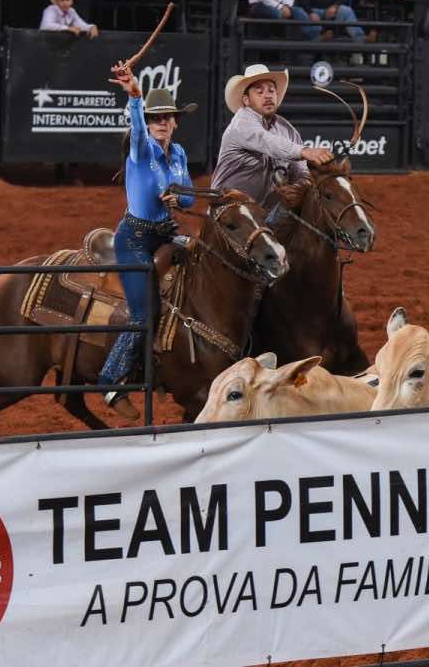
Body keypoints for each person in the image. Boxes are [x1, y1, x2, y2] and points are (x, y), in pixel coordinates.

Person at [96, 60, 198, 420]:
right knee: (145, 311)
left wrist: (178, 199)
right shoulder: (141, 149)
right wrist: (135, 97)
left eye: (167, 117)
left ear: (175, 121)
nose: (162, 123)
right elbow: (136, 130)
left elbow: (189, 198)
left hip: (165, 233)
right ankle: (110, 381)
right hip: (135, 239)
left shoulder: (180, 153)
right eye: (156, 118)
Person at [211, 63, 335, 209]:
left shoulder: (287, 129)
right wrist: (305, 151)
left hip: (265, 214)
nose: (268, 95)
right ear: (246, 100)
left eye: (271, 91)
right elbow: (266, 141)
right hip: (228, 210)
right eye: (260, 92)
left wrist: (305, 183)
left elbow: (301, 173)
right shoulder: (241, 123)